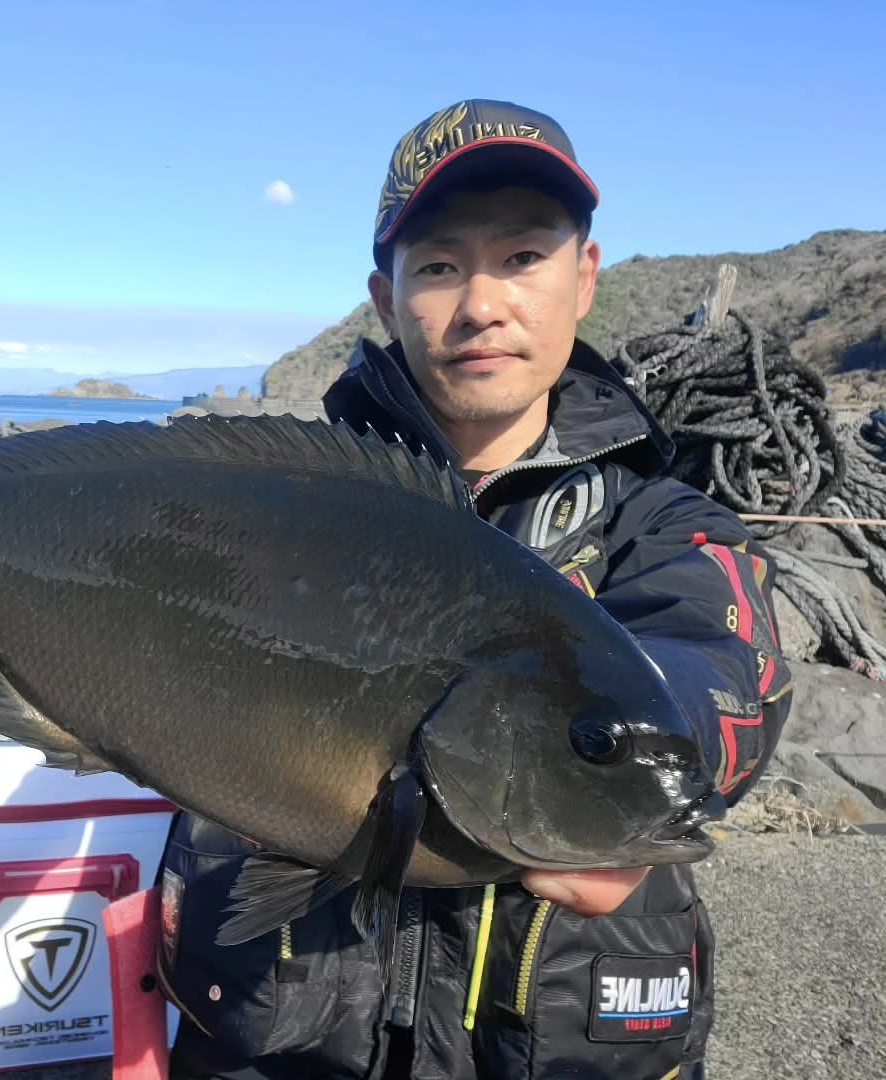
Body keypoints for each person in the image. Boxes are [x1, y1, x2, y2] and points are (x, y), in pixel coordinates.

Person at [156, 99, 792, 1080]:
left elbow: (720, 664)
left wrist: (626, 763)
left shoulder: (665, 523)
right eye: (441, 265)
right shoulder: (287, 507)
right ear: (385, 297)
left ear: (586, 277)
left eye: (525, 257)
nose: (482, 302)